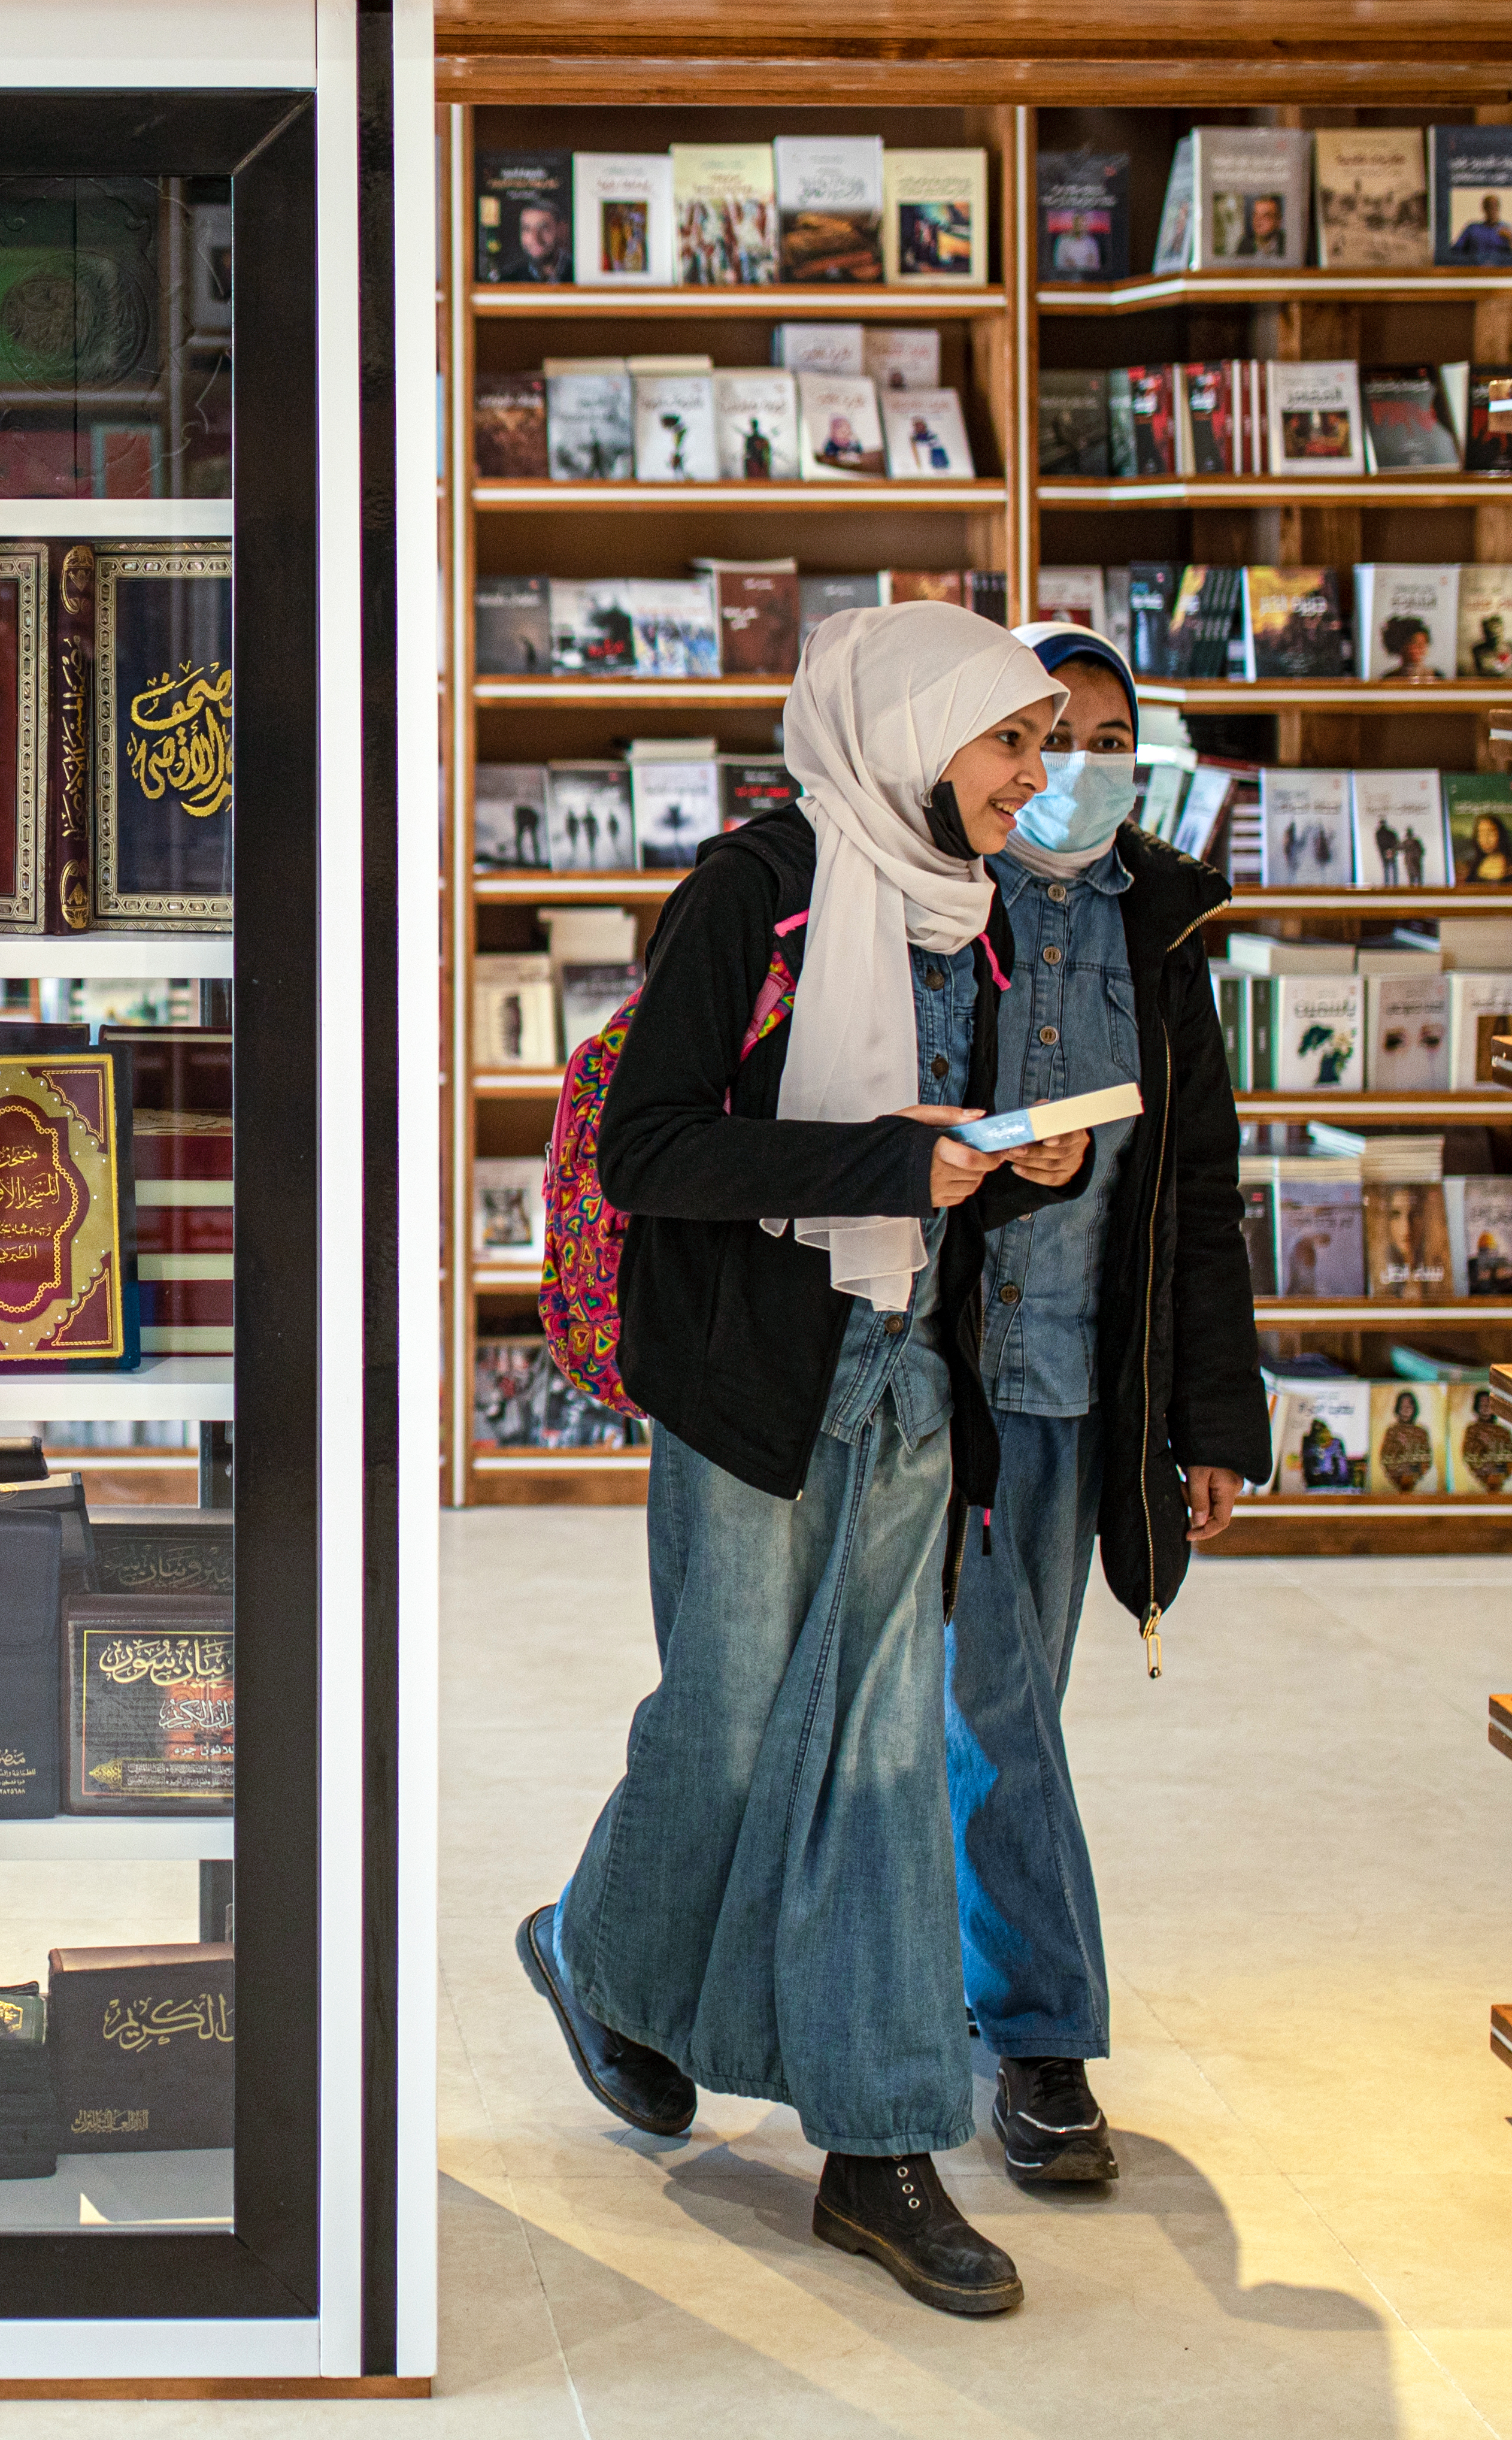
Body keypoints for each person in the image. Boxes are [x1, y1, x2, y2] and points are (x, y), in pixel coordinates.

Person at [516, 601, 1094, 2320]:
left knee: (883, 1759)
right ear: (918, 731)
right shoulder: (754, 890)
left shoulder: (977, 915)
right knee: (730, 1727)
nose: (1036, 778)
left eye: (1045, 746)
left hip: (908, 1382)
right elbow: (651, 1149)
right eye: (1013, 742)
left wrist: (1010, 1169)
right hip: (756, 1383)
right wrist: (886, 1169)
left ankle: (879, 2142)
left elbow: (926, 1155)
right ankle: (596, 1947)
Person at [946, 623, 1266, 2188]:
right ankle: (1041, 2039)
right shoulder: (946, 894)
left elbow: (1198, 1197)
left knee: (1003, 1713)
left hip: (1088, 1386)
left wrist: (1215, 1423)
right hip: (948, 1383)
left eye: (1106, 735)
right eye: (1041, 734)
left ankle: (965, 1996)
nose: (1071, 764)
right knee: (990, 1713)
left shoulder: (1166, 932)